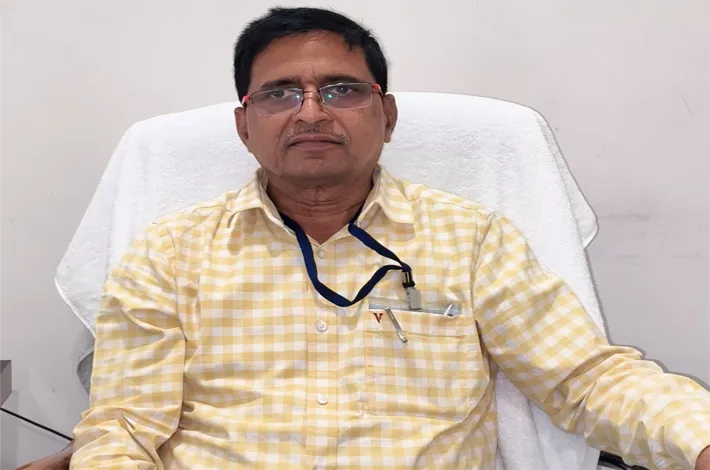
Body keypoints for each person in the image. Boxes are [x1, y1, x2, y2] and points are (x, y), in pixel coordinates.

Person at [20, 6, 710, 470]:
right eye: (280, 93)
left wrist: (699, 441)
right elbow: (124, 428)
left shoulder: (471, 239)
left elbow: (584, 380)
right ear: (243, 125)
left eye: (341, 90)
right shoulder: (169, 254)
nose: (311, 113)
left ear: (387, 115)